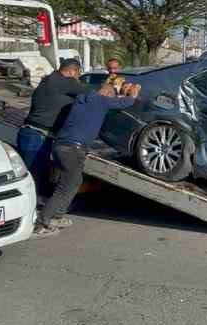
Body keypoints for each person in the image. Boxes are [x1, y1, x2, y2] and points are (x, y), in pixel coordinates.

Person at [37, 76, 141, 235]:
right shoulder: (101, 101)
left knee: (74, 181)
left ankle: (57, 215)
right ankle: (43, 221)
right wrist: (133, 94)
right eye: (112, 95)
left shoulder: (83, 100)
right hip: (73, 149)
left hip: (61, 146)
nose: (113, 99)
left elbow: (112, 99)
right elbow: (126, 102)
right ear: (106, 92)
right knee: (65, 185)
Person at [19, 58, 85, 191]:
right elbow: (89, 93)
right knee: (32, 175)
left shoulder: (52, 79)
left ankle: (35, 202)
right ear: (72, 71)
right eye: (78, 74)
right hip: (37, 135)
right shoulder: (62, 81)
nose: (79, 78)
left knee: (36, 174)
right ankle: (28, 207)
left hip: (35, 134)